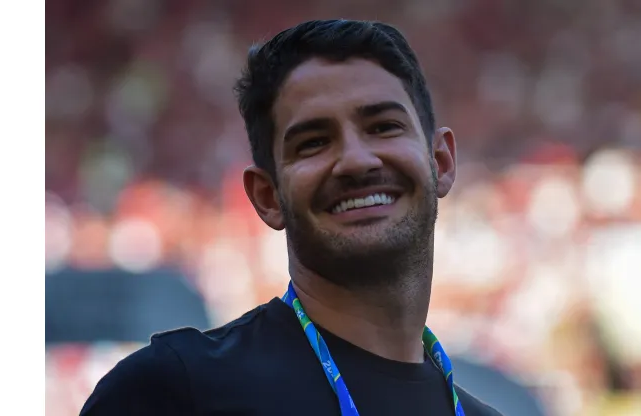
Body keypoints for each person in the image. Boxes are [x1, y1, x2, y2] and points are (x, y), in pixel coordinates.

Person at [80, 19, 503, 416]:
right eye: (314, 143)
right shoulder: (173, 392)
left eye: (383, 126)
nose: (355, 160)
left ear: (441, 161)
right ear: (268, 197)